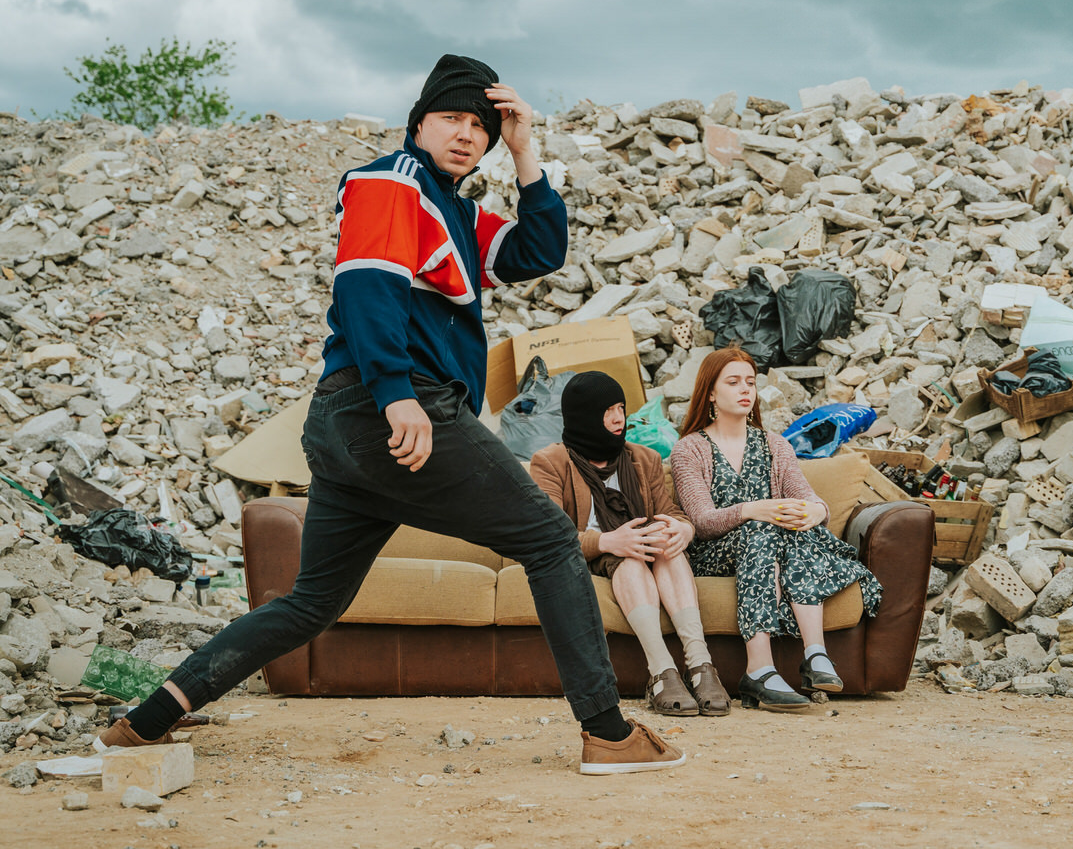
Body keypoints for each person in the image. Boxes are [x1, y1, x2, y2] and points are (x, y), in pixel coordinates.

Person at [96, 54, 684, 776]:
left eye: (481, 126)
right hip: (393, 406)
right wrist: (397, 393)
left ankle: (144, 723)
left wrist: (525, 150)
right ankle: (607, 733)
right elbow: (366, 287)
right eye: (451, 118)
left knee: (311, 603)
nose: (467, 135)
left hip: (348, 427)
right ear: (418, 122)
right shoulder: (391, 181)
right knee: (550, 538)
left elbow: (540, 250)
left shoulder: (456, 212)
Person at [669, 347, 881, 712]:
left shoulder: (774, 445)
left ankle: (814, 655)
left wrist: (815, 511)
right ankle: (760, 667)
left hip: (775, 547)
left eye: (750, 382)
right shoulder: (690, 449)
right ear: (710, 393)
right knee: (762, 528)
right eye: (733, 382)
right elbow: (703, 522)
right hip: (715, 553)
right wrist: (754, 510)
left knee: (790, 527)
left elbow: (807, 497)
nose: (745, 390)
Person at [527, 371, 730, 717]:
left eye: (621, 408)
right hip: (599, 553)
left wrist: (684, 530)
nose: (619, 418)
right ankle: (661, 671)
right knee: (631, 559)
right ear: (584, 415)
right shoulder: (550, 463)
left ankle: (700, 664)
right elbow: (549, 535)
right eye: (607, 410)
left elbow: (670, 512)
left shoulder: (644, 458)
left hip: (647, 547)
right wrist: (609, 540)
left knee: (667, 546)